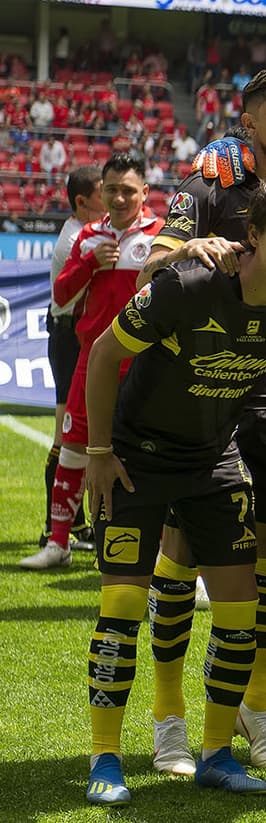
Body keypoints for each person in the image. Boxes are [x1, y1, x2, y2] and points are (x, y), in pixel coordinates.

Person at [79, 175, 266, 806]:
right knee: (122, 608)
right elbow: (101, 353)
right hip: (139, 462)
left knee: (241, 611)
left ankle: (215, 753)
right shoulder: (191, 285)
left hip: (213, 460)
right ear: (251, 235)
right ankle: (105, 758)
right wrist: (98, 453)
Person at [141, 67, 266, 778]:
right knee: (184, 549)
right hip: (207, 396)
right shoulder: (208, 185)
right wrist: (189, 249)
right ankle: (168, 718)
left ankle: (257, 705)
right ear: (247, 121)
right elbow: (152, 268)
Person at [21, 155, 162, 572]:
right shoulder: (87, 237)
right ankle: (58, 543)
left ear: (144, 193)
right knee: (73, 448)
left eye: (128, 191)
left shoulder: (160, 236)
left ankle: (156, 551)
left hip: (144, 362)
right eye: (111, 190)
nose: (119, 198)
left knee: (151, 452)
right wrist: (89, 263)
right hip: (93, 359)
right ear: (102, 191)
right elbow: (61, 295)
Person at [21, 166, 103, 568]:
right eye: (104, 192)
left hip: (73, 334)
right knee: (67, 434)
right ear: (82, 201)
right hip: (70, 339)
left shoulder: (83, 232)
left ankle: (79, 525)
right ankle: (54, 528)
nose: (110, 199)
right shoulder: (76, 240)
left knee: (82, 436)